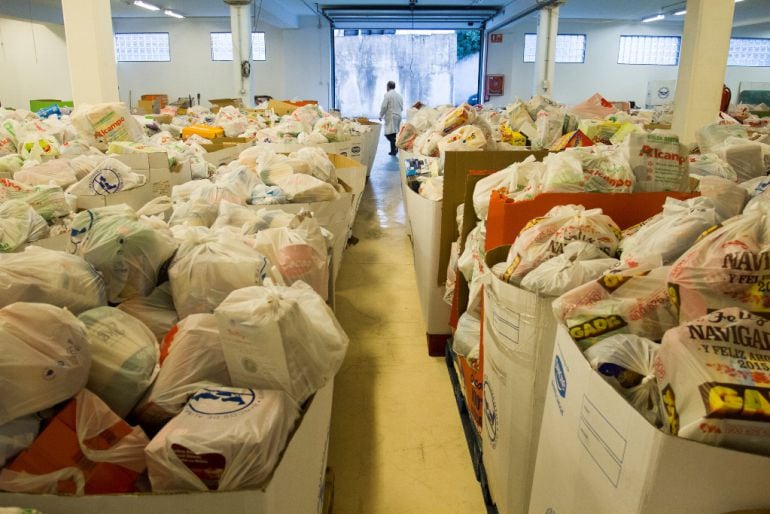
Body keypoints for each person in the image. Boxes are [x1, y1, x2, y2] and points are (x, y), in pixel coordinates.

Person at [379, 81, 403, 156]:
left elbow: (384, 106)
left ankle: (398, 146)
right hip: (398, 115)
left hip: (392, 116)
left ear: (388, 86)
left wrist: (380, 115)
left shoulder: (388, 95)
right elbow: (402, 107)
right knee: (394, 134)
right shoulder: (399, 96)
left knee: (388, 134)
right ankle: (393, 151)